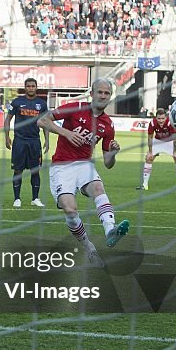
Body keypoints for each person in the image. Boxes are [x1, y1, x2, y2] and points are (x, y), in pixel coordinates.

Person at [37, 79, 130, 268]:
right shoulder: (75, 108)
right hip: (61, 166)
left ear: (110, 97)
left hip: (84, 165)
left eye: (106, 93)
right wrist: (66, 133)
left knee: (97, 187)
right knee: (70, 210)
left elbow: (108, 164)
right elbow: (42, 120)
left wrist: (113, 153)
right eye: (100, 92)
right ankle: (89, 249)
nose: (103, 96)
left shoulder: (108, 125)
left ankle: (110, 230)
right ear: (92, 93)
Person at [3, 78, 49, 207]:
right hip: (19, 141)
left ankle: (35, 199)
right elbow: (7, 120)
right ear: (25, 87)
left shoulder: (42, 104)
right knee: (18, 170)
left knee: (35, 170)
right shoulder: (17, 102)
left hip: (35, 141)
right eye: (28, 86)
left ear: (36, 87)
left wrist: (47, 140)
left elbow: (45, 123)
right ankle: (17, 199)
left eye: (33, 86)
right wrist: (6, 137)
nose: (30, 88)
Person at [137, 107, 176, 191]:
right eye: (159, 118)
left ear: (166, 117)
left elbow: (175, 138)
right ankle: (144, 185)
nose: (161, 120)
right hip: (158, 141)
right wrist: (150, 152)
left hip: (170, 141)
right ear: (156, 118)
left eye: (163, 118)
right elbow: (150, 138)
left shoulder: (171, 123)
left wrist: (174, 152)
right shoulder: (152, 123)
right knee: (148, 158)